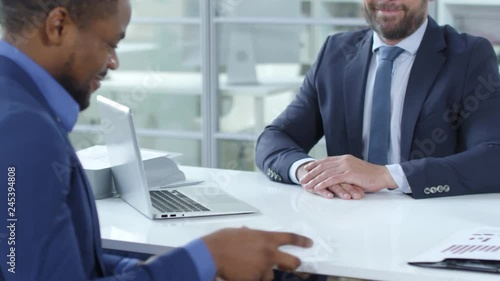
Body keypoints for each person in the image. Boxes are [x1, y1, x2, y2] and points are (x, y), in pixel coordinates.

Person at [0, 1, 313, 280]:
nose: (113, 63)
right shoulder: (24, 129)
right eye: (110, 44)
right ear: (58, 26)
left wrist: (155, 266)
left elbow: (64, 264)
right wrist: (207, 257)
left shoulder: (16, 103)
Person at [255, 0, 500, 200]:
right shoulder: (335, 51)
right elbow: (274, 138)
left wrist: (386, 175)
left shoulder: (469, 55)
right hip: (346, 217)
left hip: (430, 222)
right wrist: (309, 172)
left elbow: (493, 157)